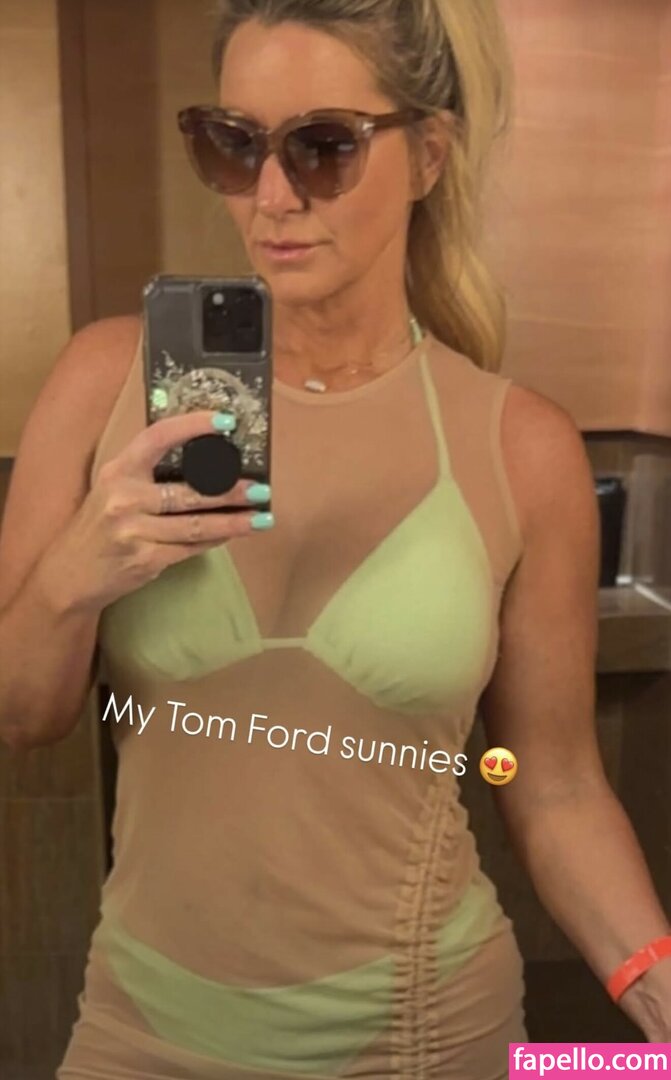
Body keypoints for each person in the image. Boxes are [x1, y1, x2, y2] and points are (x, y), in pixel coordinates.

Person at [1, 1, 670, 1077]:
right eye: (234, 143)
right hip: (142, 1035)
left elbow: (550, 783)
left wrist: (658, 988)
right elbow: (24, 716)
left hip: (430, 1039)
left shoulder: (518, 446)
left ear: (428, 155)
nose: (270, 195)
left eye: (321, 145)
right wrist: (74, 574)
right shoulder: (103, 383)